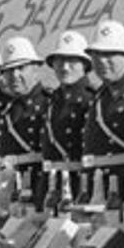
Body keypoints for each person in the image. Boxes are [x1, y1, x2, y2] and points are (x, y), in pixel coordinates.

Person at [83, 20, 124, 199]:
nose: (102, 62)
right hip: (98, 190)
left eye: (110, 55)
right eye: (96, 56)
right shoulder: (99, 96)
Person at [0, 37, 51, 204]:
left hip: (42, 187)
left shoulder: (49, 102)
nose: (15, 75)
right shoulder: (8, 109)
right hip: (14, 190)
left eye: (21, 68)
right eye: (9, 70)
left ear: (35, 68)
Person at [41, 30, 94, 184]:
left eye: (72, 62)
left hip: (79, 183)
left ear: (85, 65)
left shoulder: (91, 98)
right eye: (60, 61)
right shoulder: (52, 99)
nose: (65, 67)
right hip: (51, 182)